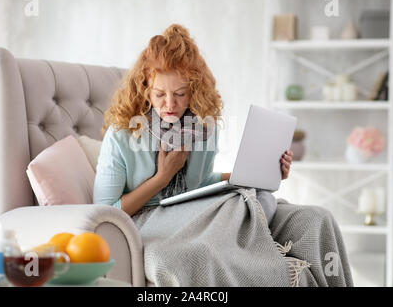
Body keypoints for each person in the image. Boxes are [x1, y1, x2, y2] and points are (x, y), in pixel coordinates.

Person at [93, 24, 293, 217]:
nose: (170, 105)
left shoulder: (204, 127)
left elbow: (199, 182)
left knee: (265, 198)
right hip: (147, 216)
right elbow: (104, 212)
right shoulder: (121, 135)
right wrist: (163, 177)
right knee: (240, 211)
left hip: (190, 209)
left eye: (180, 94)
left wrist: (259, 175)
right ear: (145, 90)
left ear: (194, 91)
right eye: (160, 94)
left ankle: (248, 235)